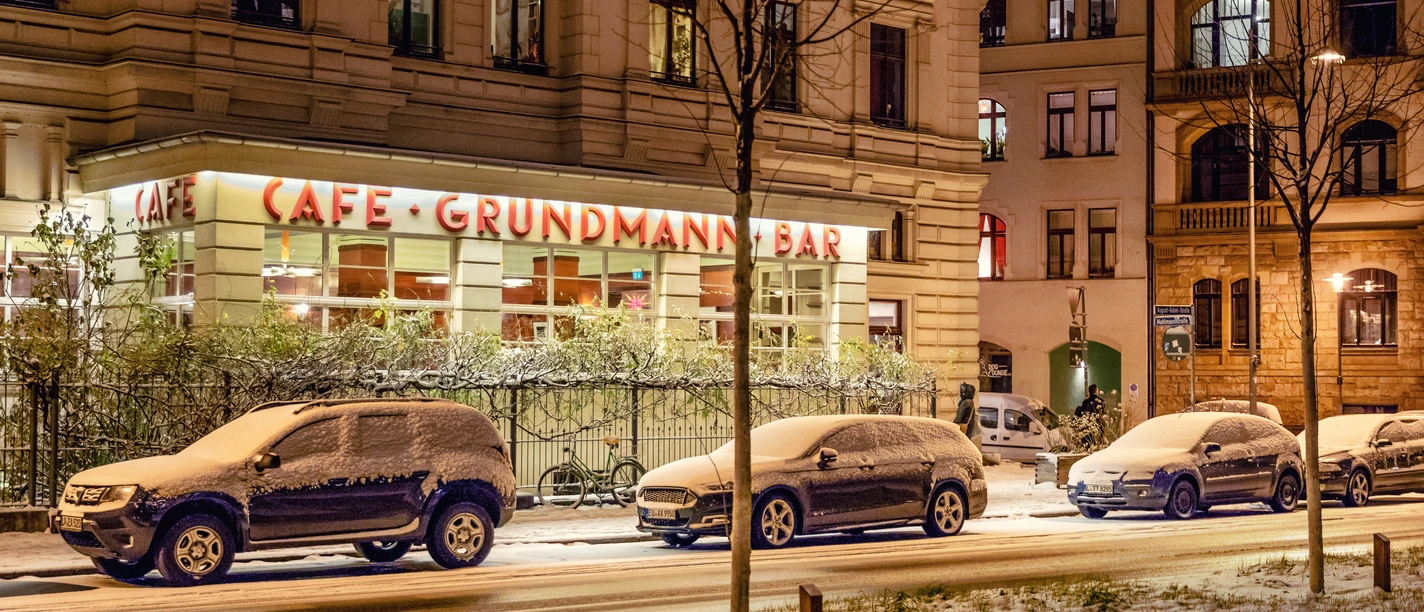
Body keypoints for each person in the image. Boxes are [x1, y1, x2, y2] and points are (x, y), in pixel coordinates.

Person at [953, 382, 982, 449]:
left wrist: (952, 427)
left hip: (963, 430)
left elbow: (959, 419)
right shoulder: (970, 402)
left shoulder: (966, 402)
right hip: (967, 430)